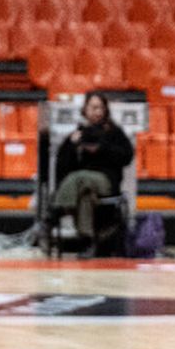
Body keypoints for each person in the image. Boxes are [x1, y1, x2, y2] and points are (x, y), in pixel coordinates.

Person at [50, 90, 134, 248]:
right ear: (85, 110)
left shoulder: (114, 132)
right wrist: (71, 146)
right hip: (82, 186)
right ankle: (88, 240)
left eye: (100, 107)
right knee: (85, 195)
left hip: (107, 181)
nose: (96, 111)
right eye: (93, 107)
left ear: (105, 110)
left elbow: (127, 157)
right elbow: (63, 166)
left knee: (80, 177)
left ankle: (57, 209)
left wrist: (101, 149)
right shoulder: (78, 133)